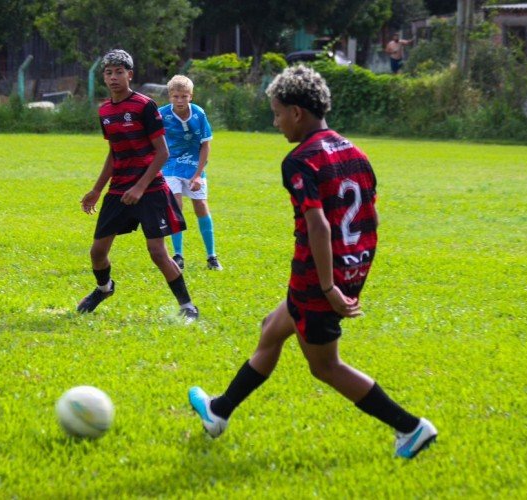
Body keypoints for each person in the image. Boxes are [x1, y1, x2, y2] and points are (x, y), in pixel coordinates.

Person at [187, 65, 437, 459]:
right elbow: (371, 217)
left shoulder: (301, 159)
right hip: (348, 268)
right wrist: (351, 274)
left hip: (319, 278)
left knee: (325, 367)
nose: (276, 122)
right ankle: (219, 411)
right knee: (271, 328)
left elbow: (317, 225)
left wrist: (328, 287)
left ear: (297, 113)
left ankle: (411, 427)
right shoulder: (355, 151)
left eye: (277, 113)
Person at [77, 49, 199, 321]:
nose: (113, 77)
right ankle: (104, 289)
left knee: (157, 252)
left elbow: (163, 152)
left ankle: (188, 305)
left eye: (119, 72)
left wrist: (140, 187)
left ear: (129, 75)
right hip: (119, 189)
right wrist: (97, 190)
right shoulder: (105, 111)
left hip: (150, 188)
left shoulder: (145, 105)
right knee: (97, 252)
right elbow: (114, 153)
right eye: (108, 73)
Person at [159, 75, 222, 271]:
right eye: (176, 96)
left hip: (194, 165)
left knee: (201, 206)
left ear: (191, 96)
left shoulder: (199, 114)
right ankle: (178, 256)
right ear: (170, 96)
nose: (180, 100)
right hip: (170, 165)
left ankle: (212, 256)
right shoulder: (161, 115)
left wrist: (197, 175)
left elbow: (206, 145)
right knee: (175, 204)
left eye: (184, 96)